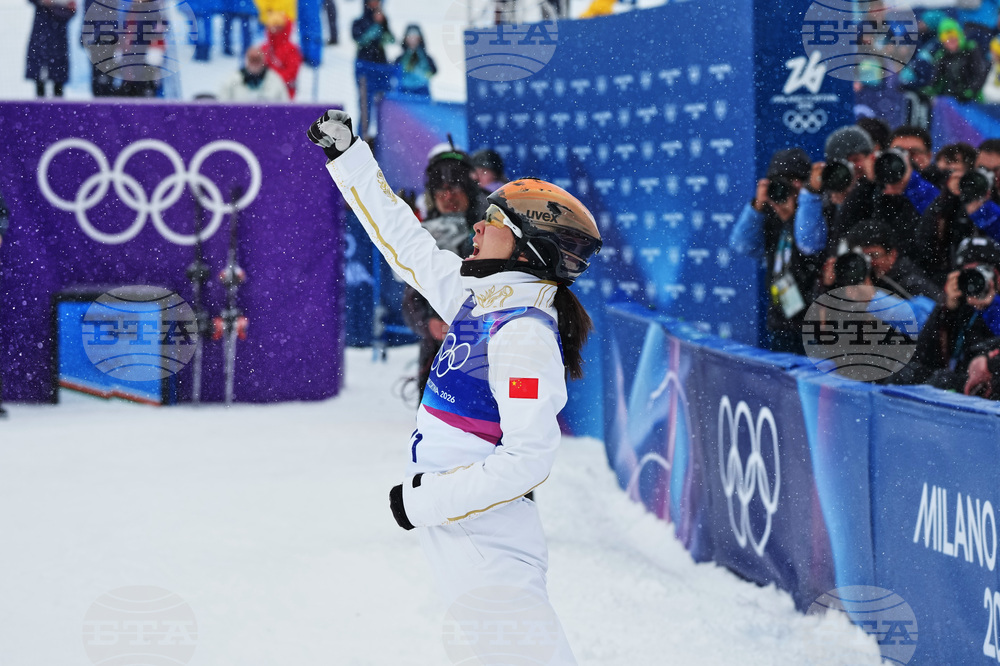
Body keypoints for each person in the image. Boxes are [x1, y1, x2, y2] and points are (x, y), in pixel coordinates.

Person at [308, 109, 598, 664]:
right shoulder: (480, 298)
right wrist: (350, 159)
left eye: (492, 223)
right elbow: (405, 243)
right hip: (465, 528)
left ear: (523, 250)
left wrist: (427, 500)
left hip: (486, 538)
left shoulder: (522, 334)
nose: (478, 227)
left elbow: (529, 459)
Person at [402, 144, 488, 400]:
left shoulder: (495, 229)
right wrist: (429, 325)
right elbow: (411, 299)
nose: (448, 197)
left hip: (488, 357)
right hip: (438, 358)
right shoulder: (426, 235)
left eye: (455, 188)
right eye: (441, 191)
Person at [730, 148, 820, 354]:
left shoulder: (814, 210)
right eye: (781, 180)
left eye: (795, 179)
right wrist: (757, 206)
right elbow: (741, 244)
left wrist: (790, 218)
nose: (789, 186)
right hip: (781, 320)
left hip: (811, 322)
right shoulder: (769, 215)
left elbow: (810, 251)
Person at [352, 0, 394, 135]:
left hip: (382, 69)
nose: (375, 4)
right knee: (365, 109)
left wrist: (383, 24)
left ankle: (384, 143)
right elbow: (360, 40)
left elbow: (391, 40)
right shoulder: (359, 22)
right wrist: (375, 25)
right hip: (365, 70)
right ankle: (361, 141)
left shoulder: (384, 21)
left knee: (385, 109)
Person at [924, 18, 988, 102]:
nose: (950, 39)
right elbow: (937, 79)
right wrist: (930, 90)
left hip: (973, 101)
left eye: (953, 35)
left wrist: (971, 90)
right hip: (951, 100)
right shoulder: (942, 56)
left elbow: (980, 73)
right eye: (945, 37)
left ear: (959, 35)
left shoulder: (970, 49)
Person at [25, 0, 76, 98]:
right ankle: (41, 110)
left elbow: (71, 10)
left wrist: (53, 6)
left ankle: (57, 109)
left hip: (57, 41)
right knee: (40, 81)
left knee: (58, 82)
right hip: (42, 39)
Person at [218, 45, 289, 101]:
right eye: (252, 59)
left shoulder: (275, 79)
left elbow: (285, 107)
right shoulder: (233, 80)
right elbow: (222, 105)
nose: (255, 62)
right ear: (246, 60)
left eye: (257, 59)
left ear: (263, 60)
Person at [261, 13, 302, 99]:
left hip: (285, 92)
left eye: (278, 26)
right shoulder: (264, 48)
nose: (274, 30)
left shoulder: (291, 49)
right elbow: (257, 69)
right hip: (263, 92)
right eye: (272, 26)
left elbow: (292, 72)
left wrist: (272, 80)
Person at [394, 24, 436, 97]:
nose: (412, 39)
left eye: (415, 36)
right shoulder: (400, 58)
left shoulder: (426, 58)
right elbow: (394, 72)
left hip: (422, 90)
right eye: (410, 36)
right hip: (403, 91)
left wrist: (423, 75)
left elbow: (434, 70)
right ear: (405, 39)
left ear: (419, 38)